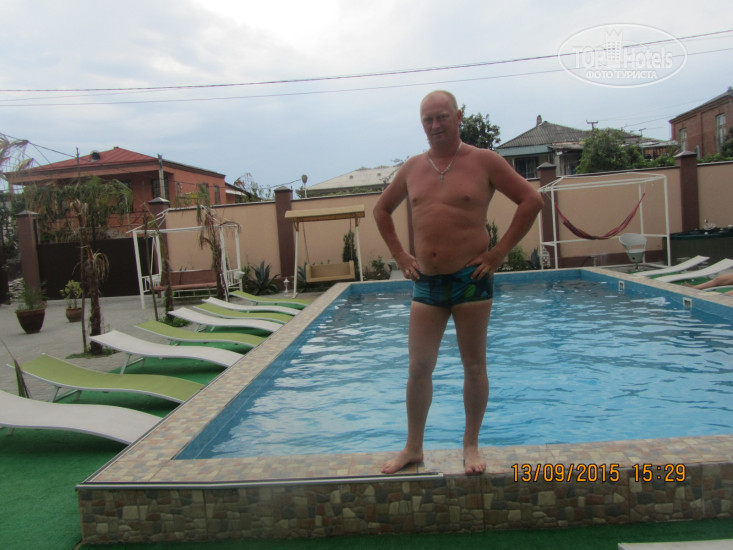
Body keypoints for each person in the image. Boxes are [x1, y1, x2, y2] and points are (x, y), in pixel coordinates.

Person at [373, 90, 544, 475]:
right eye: (428, 119)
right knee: (418, 367)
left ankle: (470, 445)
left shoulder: (484, 161)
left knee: (473, 365)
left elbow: (532, 200)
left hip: (471, 280)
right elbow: (381, 209)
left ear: (458, 116)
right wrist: (400, 255)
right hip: (427, 282)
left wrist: (498, 253)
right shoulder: (413, 168)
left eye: (442, 117)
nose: (435, 125)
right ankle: (413, 448)